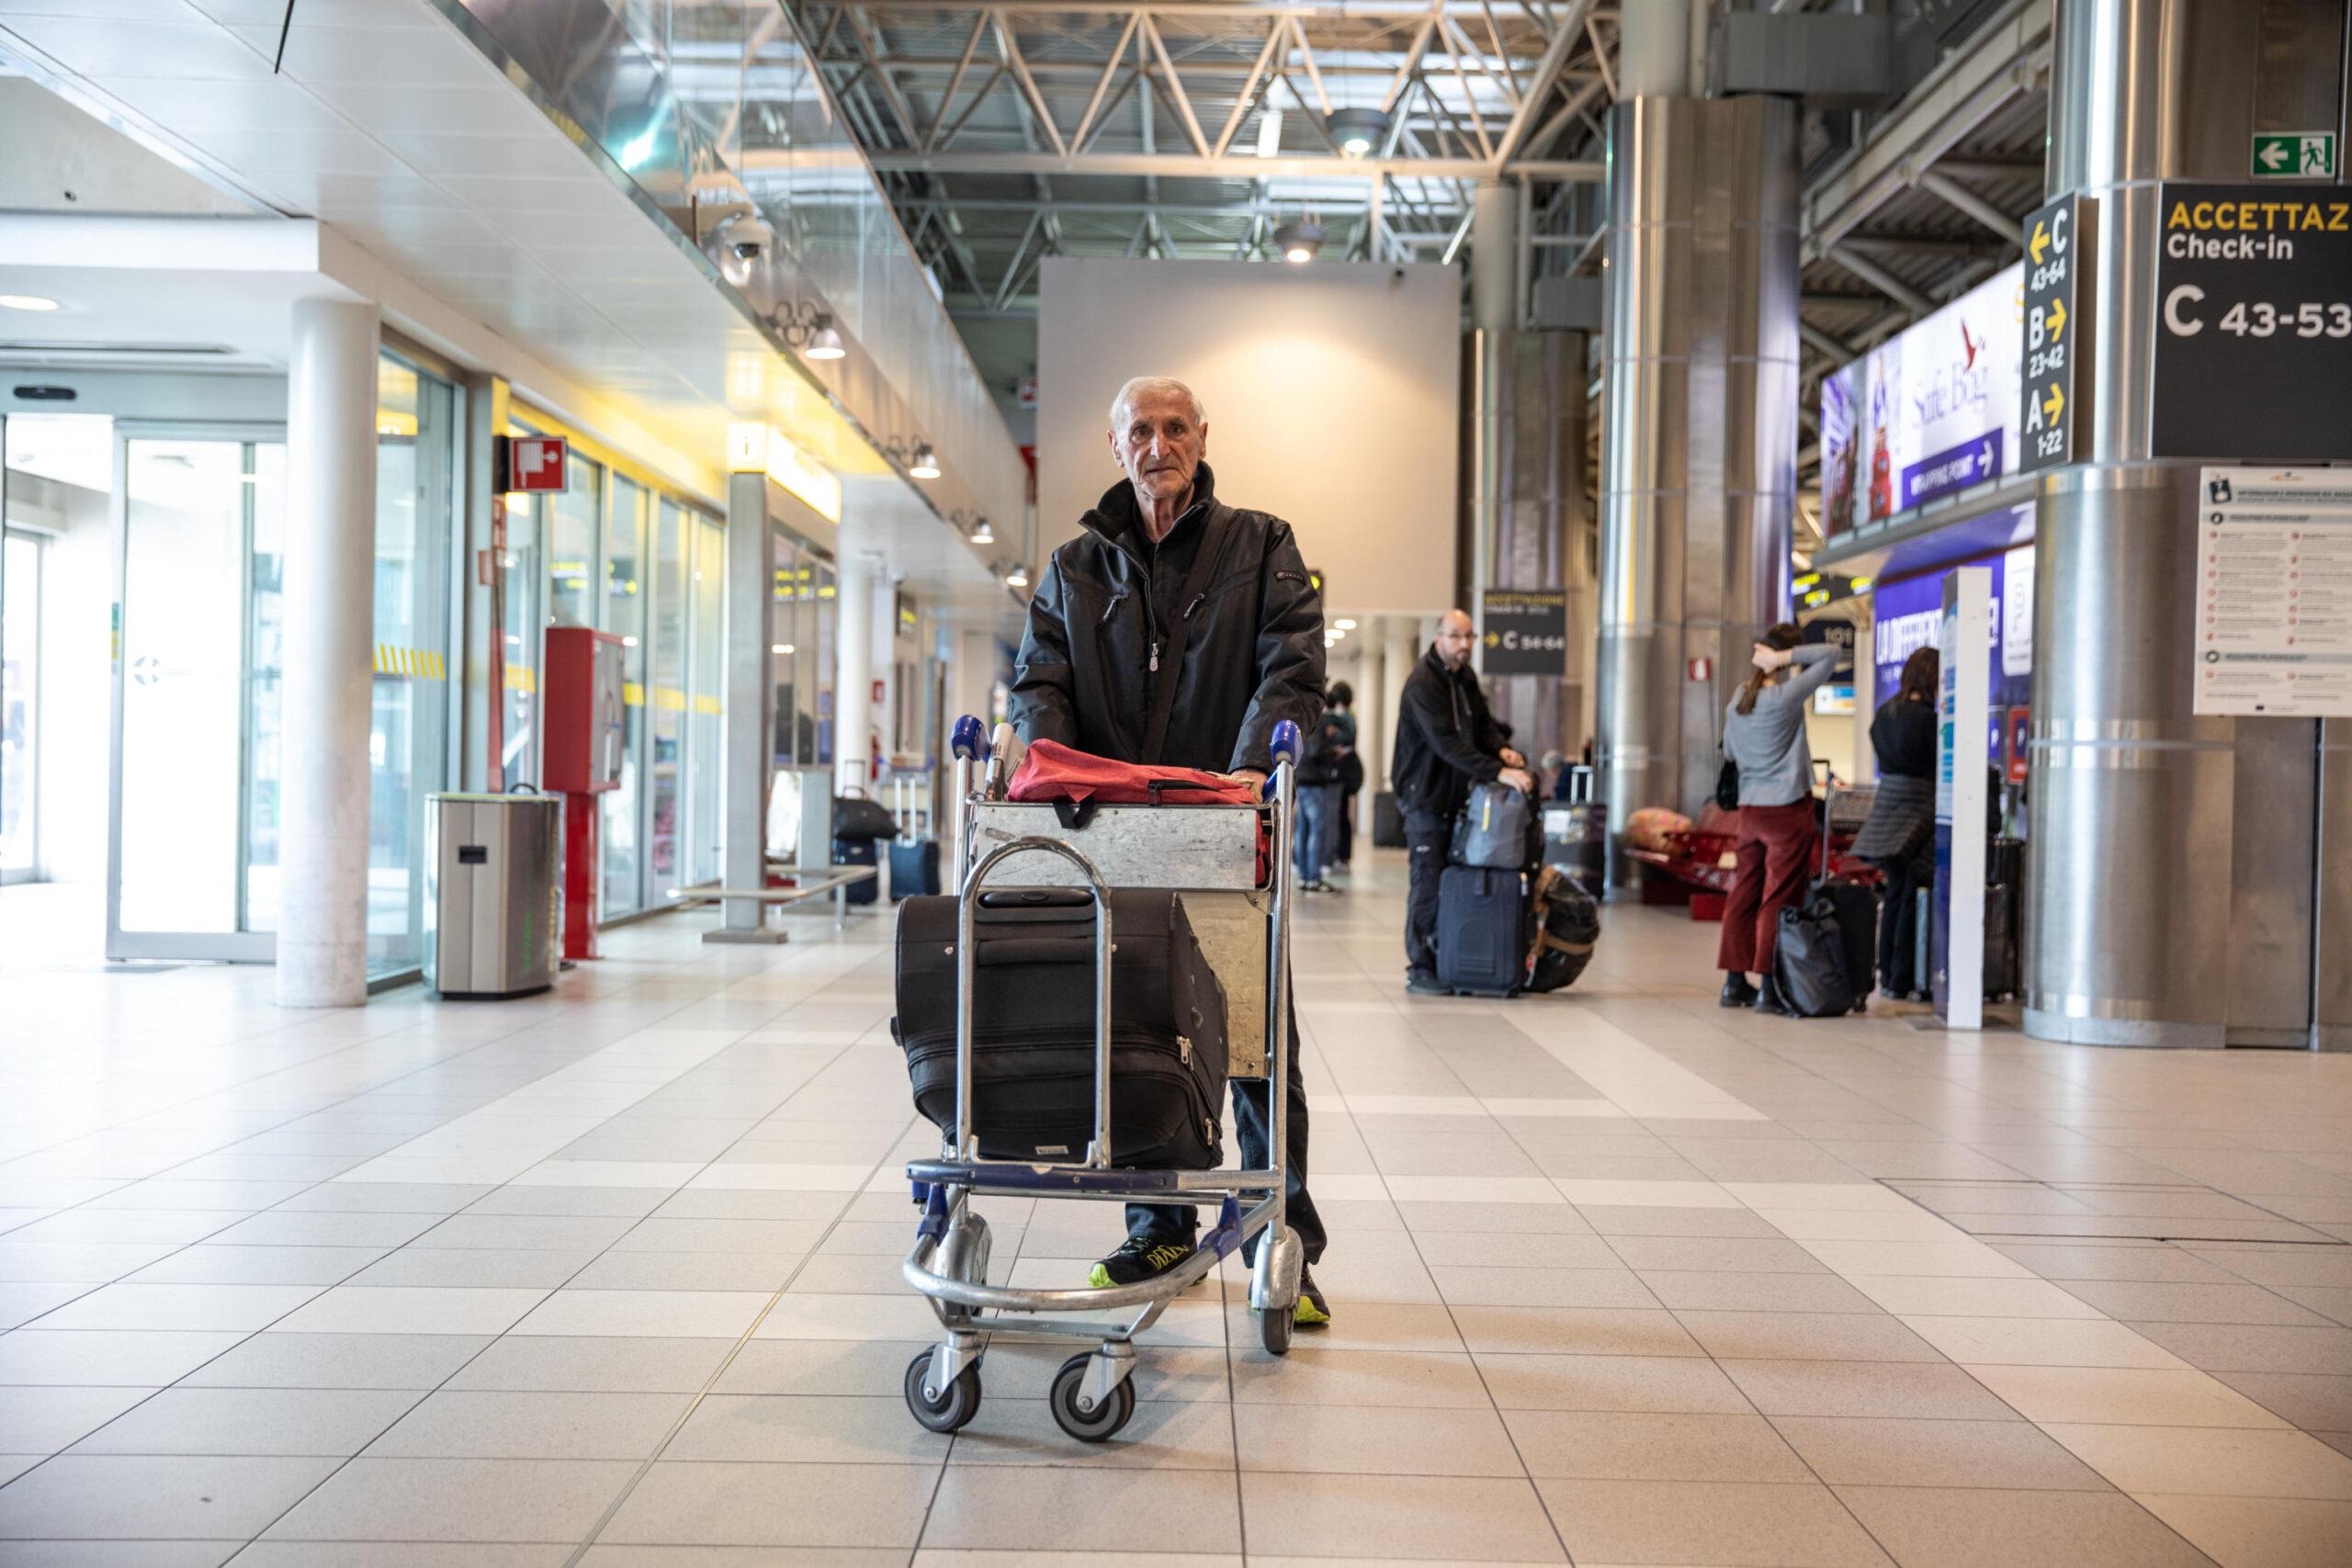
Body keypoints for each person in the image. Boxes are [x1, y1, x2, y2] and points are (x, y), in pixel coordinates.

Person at [1008, 374, 1330, 1325]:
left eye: (1175, 427)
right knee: (1143, 1034)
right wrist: (1062, 774)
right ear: (1116, 448)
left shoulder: (1260, 544)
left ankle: (1286, 1243)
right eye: (1140, 430)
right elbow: (1040, 681)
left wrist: (1234, 792)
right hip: (1113, 839)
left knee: (1257, 1041)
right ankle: (1158, 1225)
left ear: (1201, 437)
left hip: (1226, 832)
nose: (1159, 444)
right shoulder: (1074, 565)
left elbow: (1291, 671)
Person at [1391, 610, 1536, 994]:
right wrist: (1497, 772)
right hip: (1424, 799)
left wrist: (1501, 751)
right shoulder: (1423, 683)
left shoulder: (1464, 678)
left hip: (1457, 799)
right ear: (1438, 637)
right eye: (1456, 636)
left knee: (1448, 881)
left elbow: (1482, 727)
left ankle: (1447, 956)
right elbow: (1446, 744)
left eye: (1470, 637)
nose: (1465, 644)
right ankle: (1420, 967)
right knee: (1427, 879)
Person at [1717, 624, 1841, 1015]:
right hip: (1786, 808)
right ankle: (1769, 987)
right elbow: (1832, 655)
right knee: (1778, 896)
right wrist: (1785, 658)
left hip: (1750, 809)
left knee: (1744, 892)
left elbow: (1733, 754)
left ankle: (1734, 983)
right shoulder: (1786, 697)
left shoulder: (1739, 698)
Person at [1852, 648, 1938, 1000]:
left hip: (1886, 809)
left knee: (1895, 894)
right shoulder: (1929, 721)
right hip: (1917, 811)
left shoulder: (1885, 714)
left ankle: (1887, 972)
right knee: (1911, 894)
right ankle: (1903, 976)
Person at [1295, 682, 1354, 891]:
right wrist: (1334, 753)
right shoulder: (1318, 722)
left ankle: (1304, 876)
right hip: (1315, 782)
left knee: (1303, 830)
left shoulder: (1301, 717)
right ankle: (1313, 877)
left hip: (1302, 780)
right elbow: (1315, 752)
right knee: (1317, 830)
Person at [1328, 682, 1363, 874]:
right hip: (1346, 772)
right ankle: (1343, 855)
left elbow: (1346, 738)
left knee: (1339, 815)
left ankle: (1342, 854)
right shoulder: (1349, 715)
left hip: (1343, 773)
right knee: (1341, 815)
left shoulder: (1346, 717)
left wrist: (1334, 733)